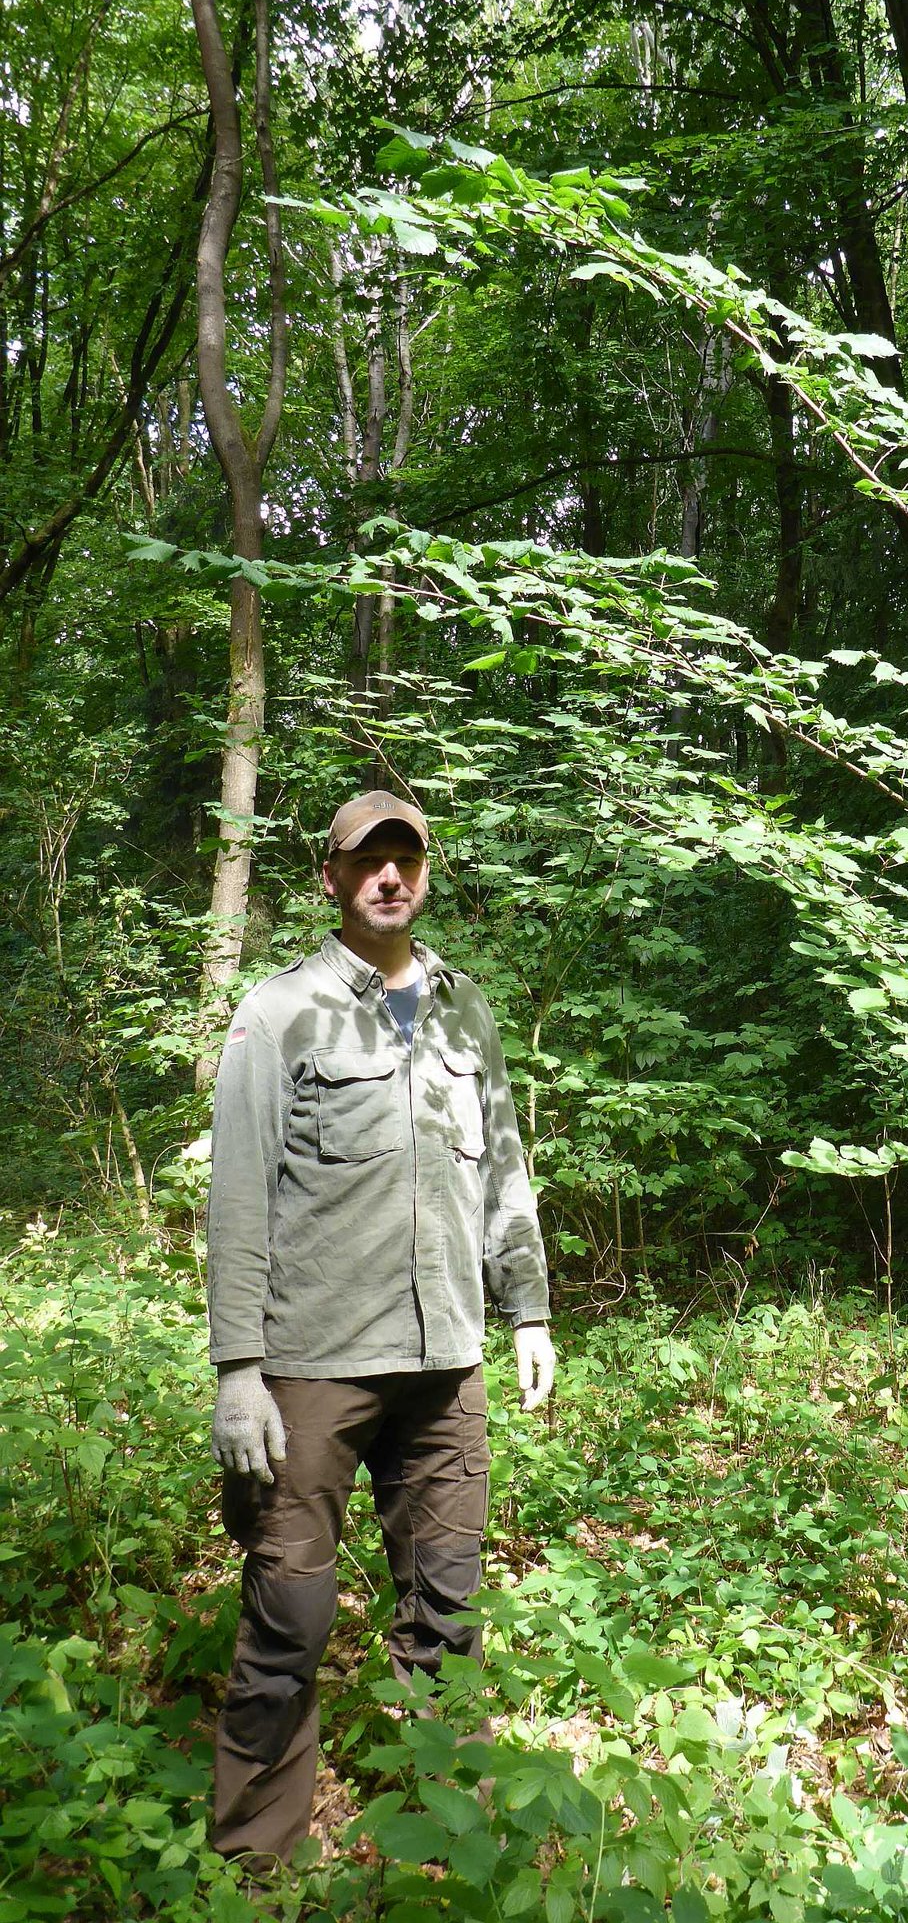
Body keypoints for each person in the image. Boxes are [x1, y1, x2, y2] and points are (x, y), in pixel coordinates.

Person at [204, 788, 554, 1865]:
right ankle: (254, 1860)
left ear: (428, 872)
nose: (389, 876)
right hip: (313, 1365)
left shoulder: (465, 1008)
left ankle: (452, 1844)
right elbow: (239, 1195)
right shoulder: (283, 1009)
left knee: (447, 1613)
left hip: (446, 1363)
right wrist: (238, 1368)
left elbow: (504, 1168)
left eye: (406, 858)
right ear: (331, 876)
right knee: (288, 1620)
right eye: (368, 861)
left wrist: (529, 1309)